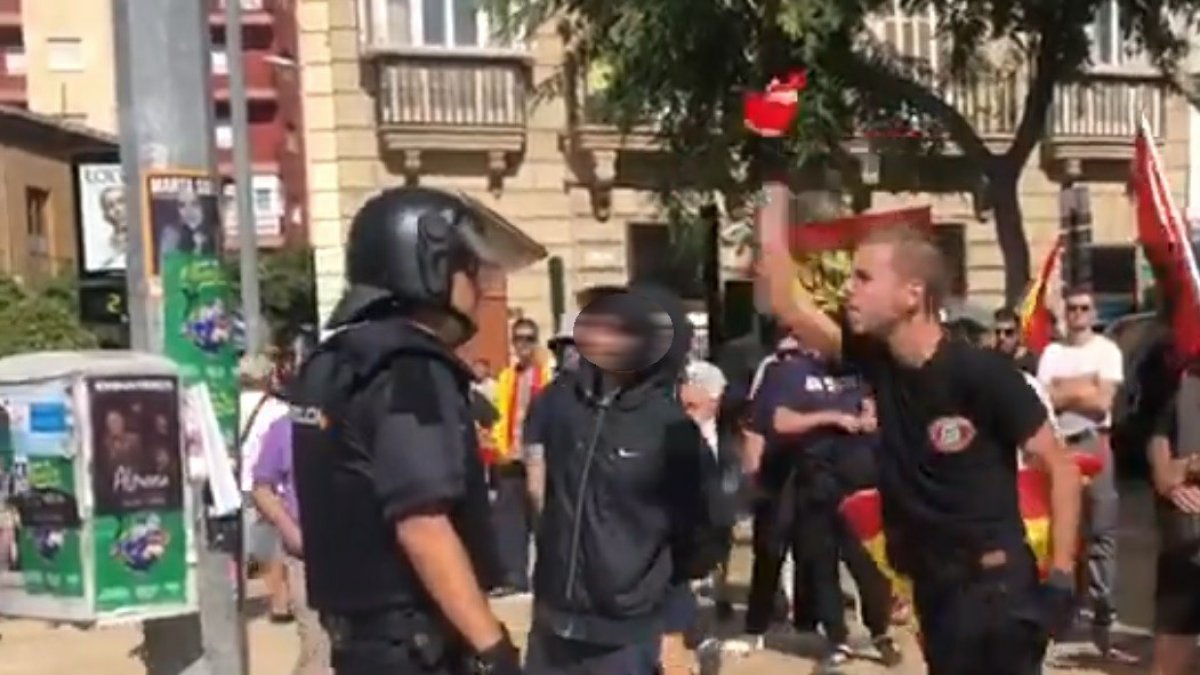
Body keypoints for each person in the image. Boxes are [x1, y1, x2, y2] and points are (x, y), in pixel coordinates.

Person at [757, 182, 1081, 675]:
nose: (849, 288)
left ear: (913, 294)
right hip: (936, 592)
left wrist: (1060, 577)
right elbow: (786, 302)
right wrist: (772, 184)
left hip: (997, 595)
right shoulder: (879, 362)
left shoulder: (981, 374)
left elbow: (1058, 465)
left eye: (864, 277)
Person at [290, 186, 538, 675]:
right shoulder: (410, 367)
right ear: (427, 265)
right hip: (414, 646)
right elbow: (422, 522)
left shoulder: (335, 363)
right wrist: (493, 648)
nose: (481, 284)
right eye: (468, 267)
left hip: (360, 641)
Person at [523, 285, 733, 675]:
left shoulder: (671, 429)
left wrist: (670, 622)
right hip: (552, 628)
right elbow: (538, 487)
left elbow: (704, 536)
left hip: (629, 640)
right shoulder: (559, 402)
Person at [1035, 287, 1134, 663]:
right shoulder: (1052, 353)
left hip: (1096, 443)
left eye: (1084, 308)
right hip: (1060, 447)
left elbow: (1103, 402)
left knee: (1101, 533)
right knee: (1063, 531)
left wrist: (1066, 391)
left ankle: (1103, 614)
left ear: (1093, 313)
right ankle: (1065, 613)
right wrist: (1084, 387)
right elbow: (1046, 400)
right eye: (1072, 308)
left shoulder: (1107, 351)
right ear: (1064, 314)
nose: (1078, 314)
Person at [252, 414, 332, 675]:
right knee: (318, 647)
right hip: (305, 554)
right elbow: (262, 487)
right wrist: (289, 529)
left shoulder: (361, 418)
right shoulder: (284, 429)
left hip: (360, 552)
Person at [489, 318, 551, 595]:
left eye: (528, 338)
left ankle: (552, 576)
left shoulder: (547, 375)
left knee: (544, 518)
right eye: (518, 339)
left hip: (540, 457)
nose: (522, 345)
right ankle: (514, 577)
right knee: (509, 520)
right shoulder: (506, 377)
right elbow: (500, 415)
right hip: (511, 456)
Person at [1146, 371, 1200, 675]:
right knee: (1170, 661)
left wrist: (1188, 466)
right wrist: (1183, 471)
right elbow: (1163, 472)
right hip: (1184, 545)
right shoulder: (1182, 391)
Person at [240, 354, 294, 622]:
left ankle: (235, 599)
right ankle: (280, 603)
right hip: (265, 486)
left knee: (237, 547)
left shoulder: (230, 407)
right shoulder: (278, 410)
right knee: (272, 548)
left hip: (233, 485)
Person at [993, 307, 1039, 374]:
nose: (1001, 337)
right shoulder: (990, 353)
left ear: (1018, 334)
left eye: (1008, 332)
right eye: (998, 332)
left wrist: (1018, 362)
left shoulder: (1028, 361)